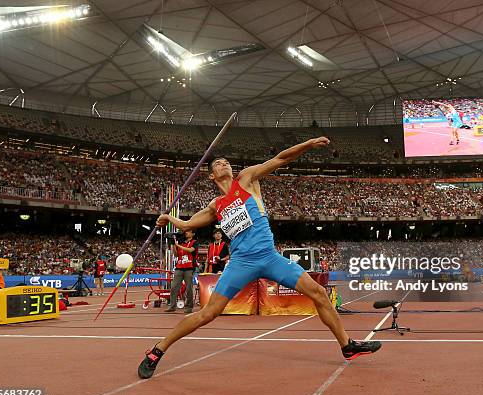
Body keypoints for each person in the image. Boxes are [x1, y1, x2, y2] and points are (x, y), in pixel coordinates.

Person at [138, 137, 381, 379]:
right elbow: (189, 224)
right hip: (241, 263)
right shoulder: (216, 205)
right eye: (218, 164)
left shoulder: (246, 179)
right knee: (207, 314)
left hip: (269, 257)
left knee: (318, 292)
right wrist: (168, 219)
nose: (224, 164)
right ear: (212, 176)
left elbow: (280, 158)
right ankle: (157, 350)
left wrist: (307, 145)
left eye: (226, 162)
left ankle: (347, 345)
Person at [166, 230, 199, 313]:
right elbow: (176, 254)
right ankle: (172, 306)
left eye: (188, 232)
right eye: (186, 232)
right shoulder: (181, 242)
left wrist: (178, 245)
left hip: (189, 267)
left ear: (193, 233)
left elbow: (190, 250)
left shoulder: (194, 242)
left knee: (189, 289)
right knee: (174, 287)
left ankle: (189, 307)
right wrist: (173, 244)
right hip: (179, 267)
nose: (186, 233)